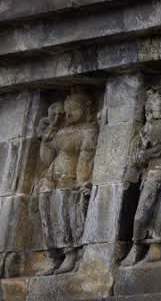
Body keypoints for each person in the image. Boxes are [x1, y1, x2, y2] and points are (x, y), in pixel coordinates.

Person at [122, 89, 161, 266]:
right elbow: (136, 158)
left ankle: (157, 245)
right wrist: (152, 152)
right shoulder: (146, 129)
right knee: (142, 212)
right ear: (151, 108)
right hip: (151, 175)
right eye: (160, 104)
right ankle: (137, 244)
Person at [35, 92, 98, 275]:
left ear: (87, 110)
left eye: (74, 109)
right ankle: (54, 256)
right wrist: (48, 137)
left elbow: (85, 159)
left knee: (65, 212)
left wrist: (82, 181)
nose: (68, 114)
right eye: (67, 110)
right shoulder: (61, 132)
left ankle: (70, 253)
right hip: (51, 177)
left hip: (70, 178)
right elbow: (47, 159)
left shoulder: (88, 131)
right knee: (47, 215)